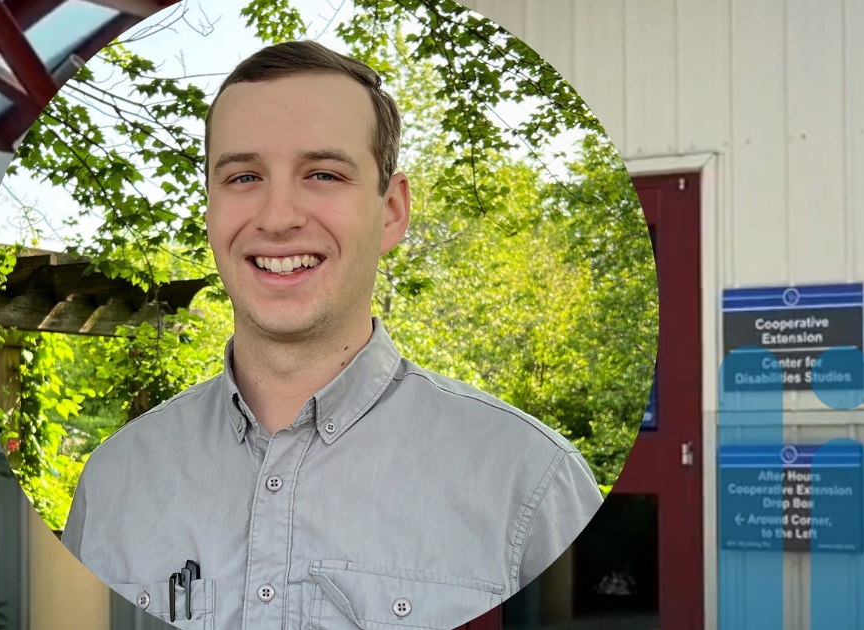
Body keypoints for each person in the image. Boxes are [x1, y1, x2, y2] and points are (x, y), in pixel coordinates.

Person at [61, 39, 604, 630]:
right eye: (243, 176)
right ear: (210, 209)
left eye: (322, 173)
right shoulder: (115, 483)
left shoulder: (529, 484)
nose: (277, 216)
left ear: (392, 210)